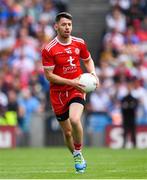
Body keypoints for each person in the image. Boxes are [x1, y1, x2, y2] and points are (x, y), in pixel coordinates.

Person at [41, 12, 99, 173]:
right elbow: (49, 76)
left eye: (69, 25)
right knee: (67, 133)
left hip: (77, 88)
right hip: (58, 94)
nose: (67, 27)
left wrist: (93, 73)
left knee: (74, 119)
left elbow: (87, 59)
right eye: (64, 24)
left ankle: (78, 152)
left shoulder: (79, 43)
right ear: (56, 26)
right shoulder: (49, 49)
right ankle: (75, 155)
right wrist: (70, 81)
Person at [120, 77, 138, 148]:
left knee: (133, 132)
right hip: (126, 117)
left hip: (132, 117)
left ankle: (134, 145)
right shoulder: (124, 98)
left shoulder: (134, 99)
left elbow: (134, 107)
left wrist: (128, 106)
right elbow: (123, 107)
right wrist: (129, 106)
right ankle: (124, 144)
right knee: (125, 132)